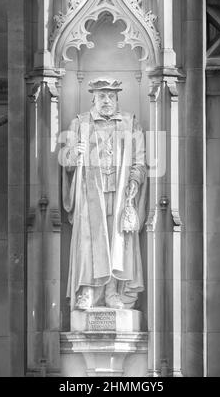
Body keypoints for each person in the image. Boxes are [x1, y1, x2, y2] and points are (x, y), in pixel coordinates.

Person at [62, 77, 147, 311]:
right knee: (90, 241)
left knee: (116, 241)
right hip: (90, 193)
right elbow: (66, 161)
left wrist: (134, 180)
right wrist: (73, 154)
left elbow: (140, 161)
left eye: (111, 96)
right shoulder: (79, 123)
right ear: (93, 98)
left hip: (119, 193)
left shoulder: (131, 123)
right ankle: (88, 291)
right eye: (102, 96)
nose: (107, 100)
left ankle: (112, 292)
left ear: (117, 98)